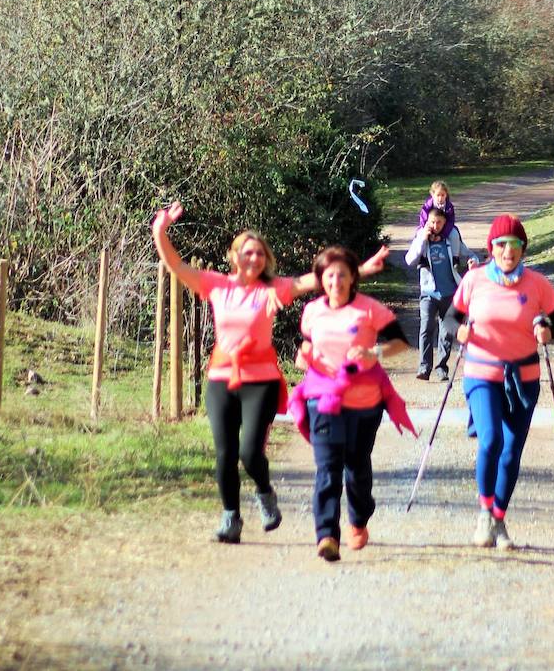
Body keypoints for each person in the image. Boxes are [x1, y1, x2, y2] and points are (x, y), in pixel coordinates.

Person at [151, 202, 388, 544]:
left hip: (260, 378)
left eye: (260, 253)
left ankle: (264, 492)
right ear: (235, 257)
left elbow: (319, 281)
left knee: (250, 452)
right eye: (249, 252)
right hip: (221, 376)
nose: (255, 258)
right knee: (224, 454)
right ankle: (230, 516)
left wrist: (362, 269)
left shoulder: (272, 289)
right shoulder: (216, 285)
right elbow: (174, 264)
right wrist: (161, 230)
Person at [446, 214, 554, 550]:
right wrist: (459, 331)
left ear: (522, 249)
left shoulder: (537, 284)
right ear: (491, 248)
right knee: (490, 440)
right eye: (501, 245)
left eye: (514, 245)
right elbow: (450, 317)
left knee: (512, 452)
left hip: (524, 379)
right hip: (481, 374)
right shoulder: (474, 280)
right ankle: (485, 513)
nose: (507, 251)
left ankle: (499, 518)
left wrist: (546, 329)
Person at [294, 245, 411, 562]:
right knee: (327, 467)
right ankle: (327, 535)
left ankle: (359, 517)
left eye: (342, 275)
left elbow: (400, 342)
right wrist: (303, 357)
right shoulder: (312, 312)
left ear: (353, 278)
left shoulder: (369, 309)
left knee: (356, 467)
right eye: (329, 276)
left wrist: (375, 354)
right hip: (323, 398)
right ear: (321, 279)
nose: (336, 281)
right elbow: (304, 348)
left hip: (364, 401)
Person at [405, 207, 478, 381]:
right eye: (432, 222)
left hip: (450, 293)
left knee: (446, 332)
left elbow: (469, 253)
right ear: (427, 222)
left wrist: (473, 260)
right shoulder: (421, 238)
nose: (435, 226)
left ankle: (441, 367)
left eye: (439, 222)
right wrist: (422, 239)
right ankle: (424, 367)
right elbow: (409, 260)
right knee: (426, 328)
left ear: (444, 223)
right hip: (428, 293)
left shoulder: (451, 239)